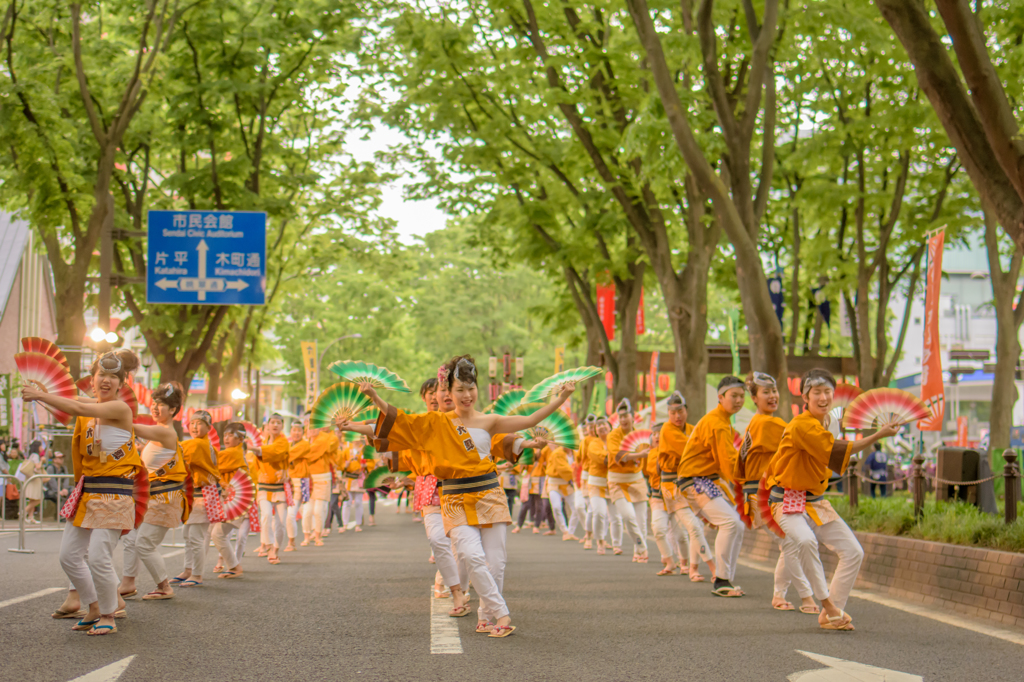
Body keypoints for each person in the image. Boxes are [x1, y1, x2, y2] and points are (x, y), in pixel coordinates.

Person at [339, 355, 574, 639]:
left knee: (496, 563)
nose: (467, 395)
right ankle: (502, 613)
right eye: (459, 389)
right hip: (454, 497)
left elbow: (531, 419)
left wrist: (563, 397)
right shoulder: (434, 424)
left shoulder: (490, 420)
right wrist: (374, 396)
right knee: (471, 555)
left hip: (490, 494)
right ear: (447, 394)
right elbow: (399, 422)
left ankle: (486, 616)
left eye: (470, 388)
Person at [765, 368, 898, 631]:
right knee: (804, 541)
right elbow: (835, 451)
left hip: (815, 502)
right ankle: (827, 606)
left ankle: (830, 613)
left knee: (853, 551)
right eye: (817, 392)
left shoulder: (829, 422)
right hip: (787, 499)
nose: (823, 397)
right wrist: (878, 435)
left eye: (828, 392)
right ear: (805, 396)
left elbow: (833, 456)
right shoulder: (801, 424)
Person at [22, 349, 144, 636]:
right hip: (87, 494)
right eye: (101, 374)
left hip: (114, 495)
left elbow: (77, 408)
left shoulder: (119, 409)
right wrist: (44, 394)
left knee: (99, 557)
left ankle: (108, 614)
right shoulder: (89, 406)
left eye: (113, 377)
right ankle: (91, 606)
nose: (106, 381)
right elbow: (72, 407)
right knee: (68, 556)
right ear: (91, 379)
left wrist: (41, 396)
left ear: (122, 384)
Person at [736, 372, 816, 614]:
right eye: (765, 392)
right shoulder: (770, 424)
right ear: (754, 398)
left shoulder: (756, 423)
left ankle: (781, 595)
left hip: (759, 495)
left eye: (774, 390)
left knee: (789, 544)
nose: (772, 396)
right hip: (765, 497)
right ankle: (807, 596)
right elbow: (802, 442)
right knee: (790, 543)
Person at [678, 377, 748, 597]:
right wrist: (749, 483)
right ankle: (721, 580)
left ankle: (725, 578)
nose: (738, 400)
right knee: (730, 522)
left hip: (705, 479)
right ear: (720, 397)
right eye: (733, 396)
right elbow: (728, 462)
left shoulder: (722, 420)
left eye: (741, 396)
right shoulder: (717, 423)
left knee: (737, 525)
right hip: (695, 480)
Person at [120, 382, 189, 601]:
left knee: (144, 544)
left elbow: (133, 428)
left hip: (162, 500)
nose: (156, 407)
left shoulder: (165, 432)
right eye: (155, 403)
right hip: (151, 499)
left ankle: (164, 586)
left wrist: (111, 414)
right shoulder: (158, 433)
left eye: (163, 405)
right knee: (131, 539)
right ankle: (128, 583)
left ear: (173, 411)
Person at [659, 391, 716, 583]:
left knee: (695, 527)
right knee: (693, 526)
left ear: (686, 410)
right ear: (668, 413)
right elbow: (691, 450)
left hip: (691, 484)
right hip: (672, 487)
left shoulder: (692, 428)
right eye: (673, 412)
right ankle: (712, 566)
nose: (677, 416)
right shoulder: (667, 430)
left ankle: (692, 567)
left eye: (680, 411)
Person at [173, 410, 219, 587]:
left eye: (199, 423)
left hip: (202, 495)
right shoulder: (203, 445)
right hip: (196, 494)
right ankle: (188, 570)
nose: (194, 426)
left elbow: (178, 450)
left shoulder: (198, 445)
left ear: (208, 427)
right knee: (188, 535)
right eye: (192, 423)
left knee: (196, 536)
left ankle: (197, 574)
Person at [606, 399, 650, 563]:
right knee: (627, 516)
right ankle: (641, 546)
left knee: (641, 519)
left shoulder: (640, 435)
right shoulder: (613, 435)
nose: (623, 419)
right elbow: (617, 455)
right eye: (621, 416)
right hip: (617, 480)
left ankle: (640, 551)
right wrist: (639, 455)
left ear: (633, 416)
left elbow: (647, 460)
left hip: (637, 479)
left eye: (626, 415)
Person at [210, 422, 251, 579]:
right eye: (225, 434)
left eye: (230, 435)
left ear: (240, 438)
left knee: (217, 534)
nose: (226, 438)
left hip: (235, 498)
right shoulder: (233, 452)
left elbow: (213, 462)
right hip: (231, 497)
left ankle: (234, 566)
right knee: (213, 533)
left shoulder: (233, 453)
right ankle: (195, 569)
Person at [251, 414, 290, 564]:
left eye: (278, 423)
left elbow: (273, 452)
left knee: (281, 521)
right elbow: (256, 465)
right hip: (264, 486)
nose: (275, 425)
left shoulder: (283, 442)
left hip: (280, 486)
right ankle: (269, 547)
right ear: (268, 425)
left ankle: (276, 548)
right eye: (272, 422)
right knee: (266, 515)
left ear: (282, 425)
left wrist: (254, 448)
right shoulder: (262, 442)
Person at [307, 424, 339, 541]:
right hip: (309, 474)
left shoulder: (331, 438)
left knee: (322, 505)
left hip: (325, 471)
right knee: (310, 505)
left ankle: (320, 529)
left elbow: (321, 449)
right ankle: (314, 529)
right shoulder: (313, 436)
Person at [285, 421, 310, 551]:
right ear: (290, 432)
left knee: (303, 512)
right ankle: (292, 541)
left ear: (303, 432)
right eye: (294, 430)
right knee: (291, 514)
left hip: (302, 482)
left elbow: (287, 455)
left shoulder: (305, 444)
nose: (296, 433)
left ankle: (306, 537)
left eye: (299, 430)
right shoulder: (289, 445)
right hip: (290, 483)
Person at [18, 450, 45, 523]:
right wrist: (42, 461)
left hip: (30, 479)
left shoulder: (31, 455)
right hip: (34, 480)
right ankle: (24, 511)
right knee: (39, 498)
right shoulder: (35, 455)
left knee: (32, 499)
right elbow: (38, 467)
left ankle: (31, 517)